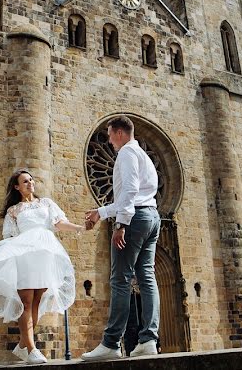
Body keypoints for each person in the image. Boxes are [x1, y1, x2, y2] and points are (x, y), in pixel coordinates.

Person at [0, 169, 86, 364]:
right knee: (26, 301)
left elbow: (59, 223)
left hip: (45, 253)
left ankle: (23, 343)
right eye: (25, 181)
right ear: (17, 187)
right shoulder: (14, 211)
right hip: (25, 254)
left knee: (37, 300)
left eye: (31, 180)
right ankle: (31, 348)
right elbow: (10, 237)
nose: (30, 183)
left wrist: (78, 227)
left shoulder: (46, 203)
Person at [82, 116, 161, 360]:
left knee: (120, 279)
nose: (108, 140)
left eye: (109, 135)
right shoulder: (143, 155)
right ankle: (148, 339)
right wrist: (101, 212)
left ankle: (111, 343)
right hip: (152, 217)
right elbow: (137, 194)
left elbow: (129, 190)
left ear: (118, 132)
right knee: (147, 277)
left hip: (135, 219)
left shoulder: (126, 154)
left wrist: (120, 224)